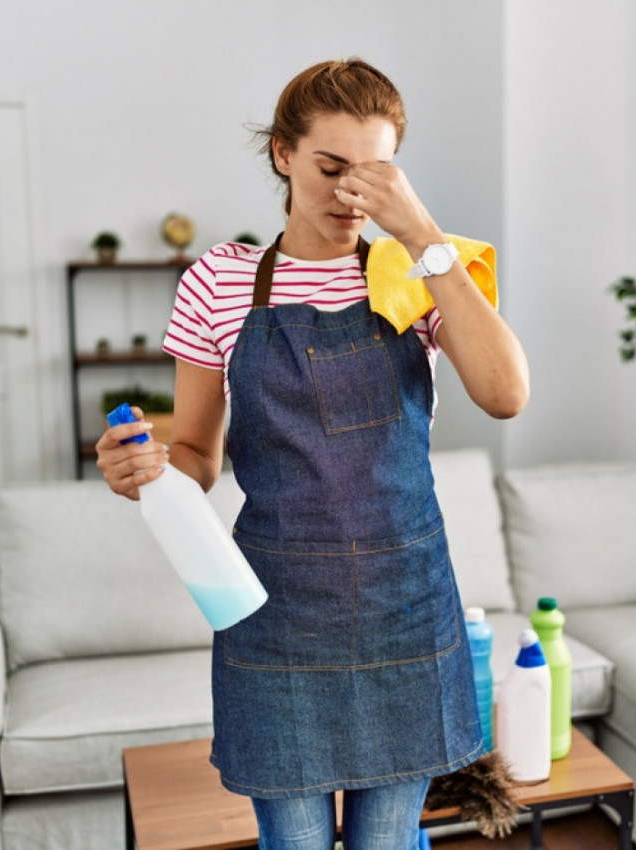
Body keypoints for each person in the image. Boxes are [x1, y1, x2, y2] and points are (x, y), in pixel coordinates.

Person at [96, 58, 529, 850]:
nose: (348, 197)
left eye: (372, 176)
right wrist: (147, 467)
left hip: (403, 603)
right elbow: (195, 451)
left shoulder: (413, 270)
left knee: (385, 842)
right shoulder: (219, 284)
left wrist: (423, 235)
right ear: (282, 155)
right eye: (331, 168)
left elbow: (505, 393)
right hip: (277, 608)